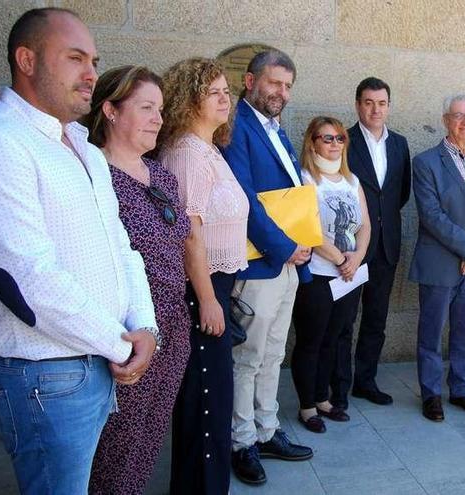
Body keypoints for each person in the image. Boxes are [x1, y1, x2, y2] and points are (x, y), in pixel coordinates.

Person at [0, 8, 158, 493]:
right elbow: (22, 278)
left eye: (95, 60)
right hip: (44, 376)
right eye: (75, 58)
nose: (92, 74)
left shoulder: (81, 145)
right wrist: (119, 341)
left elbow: (120, 246)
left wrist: (143, 325)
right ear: (26, 59)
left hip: (95, 361)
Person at [81, 65, 192, 495]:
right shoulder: (93, 176)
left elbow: (182, 239)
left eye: (160, 110)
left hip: (172, 328)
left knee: (147, 440)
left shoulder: (160, 174)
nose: (158, 119)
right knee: (115, 447)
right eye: (146, 108)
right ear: (110, 110)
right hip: (126, 335)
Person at [222, 48, 313, 486]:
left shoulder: (276, 129)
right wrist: (286, 247)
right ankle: (241, 442)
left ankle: (267, 429)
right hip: (260, 265)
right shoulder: (237, 126)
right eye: (275, 83)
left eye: (288, 86)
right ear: (251, 82)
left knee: (273, 354)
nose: (282, 92)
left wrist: (303, 245)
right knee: (248, 358)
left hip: (288, 264)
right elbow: (244, 199)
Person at [158, 58, 249, 494]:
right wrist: (209, 298)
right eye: (212, 92)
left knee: (214, 400)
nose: (223, 98)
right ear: (188, 98)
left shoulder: (208, 148)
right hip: (200, 294)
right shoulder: (186, 152)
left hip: (214, 286)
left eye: (225, 91)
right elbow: (188, 232)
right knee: (206, 405)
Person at [410, 94, 465, 422]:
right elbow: (432, 216)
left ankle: (460, 389)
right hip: (440, 263)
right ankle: (431, 394)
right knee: (432, 332)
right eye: (458, 116)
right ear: (446, 119)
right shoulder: (426, 162)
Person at [331, 77, 411, 408]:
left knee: (376, 319)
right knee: (344, 320)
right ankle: (338, 389)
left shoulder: (400, 143)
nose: (375, 109)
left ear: (388, 106)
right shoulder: (343, 140)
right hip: (349, 246)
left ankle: (366, 381)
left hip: (386, 245)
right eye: (368, 102)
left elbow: (400, 193)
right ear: (357, 104)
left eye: (381, 103)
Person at [292, 116, 371, 433]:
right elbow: (305, 228)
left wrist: (358, 257)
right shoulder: (305, 179)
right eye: (327, 138)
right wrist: (340, 258)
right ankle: (307, 406)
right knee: (311, 341)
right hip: (318, 275)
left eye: (340, 138)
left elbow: (365, 224)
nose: (335, 143)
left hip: (349, 275)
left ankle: (323, 399)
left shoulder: (351, 180)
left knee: (334, 340)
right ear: (312, 142)